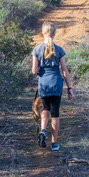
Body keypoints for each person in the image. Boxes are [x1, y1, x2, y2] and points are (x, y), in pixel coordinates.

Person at [31, 21, 73, 151]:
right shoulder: (59, 50)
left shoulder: (37, 49)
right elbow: (64, 71)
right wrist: (69, 88)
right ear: (54, 33)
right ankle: (54, 143)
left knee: (45, 109)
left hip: (43, 83)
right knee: (55, 113)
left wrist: (41, 70)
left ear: (43, 33)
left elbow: (34, 70)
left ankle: (43, 131)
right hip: (56, 83)